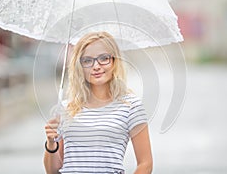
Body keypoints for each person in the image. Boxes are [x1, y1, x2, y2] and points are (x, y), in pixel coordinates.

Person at [44, 32, 153, 174]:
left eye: (104, 58)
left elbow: (146, 164)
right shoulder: (66, 108)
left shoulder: (131, 107)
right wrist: (51, 143)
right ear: (80, 66)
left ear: (114, 61)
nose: (96, 66)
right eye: (88, 60)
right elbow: (52, 171)